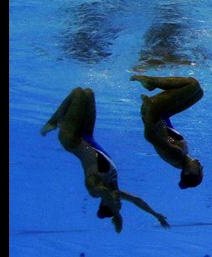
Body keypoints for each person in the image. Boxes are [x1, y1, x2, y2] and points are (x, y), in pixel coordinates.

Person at [40, 87, 170, 233]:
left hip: (71, 139)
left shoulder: (94, 189)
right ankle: (61, 120)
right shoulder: (115, 190)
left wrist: (117, 215)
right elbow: (137, 200)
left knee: (78, 93)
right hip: (87, 135)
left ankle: (53, 122)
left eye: (115, 203)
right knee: (88, 93)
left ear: (105, 203)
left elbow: (105, 193)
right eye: (119, 203)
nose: (118, 199)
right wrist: (156, 214)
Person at [130, 74, 204, 189]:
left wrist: (150, 111)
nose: (201, 167)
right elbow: (165, 135)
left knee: (193, 85)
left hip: (154, 111)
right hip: (162, 114)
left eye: (198, 172)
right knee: (198, 93)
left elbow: (150, 137)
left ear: (187, 172)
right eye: (202, 170)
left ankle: (150, 82)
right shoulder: (182, 158)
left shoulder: (176, 154)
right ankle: (152, 83)